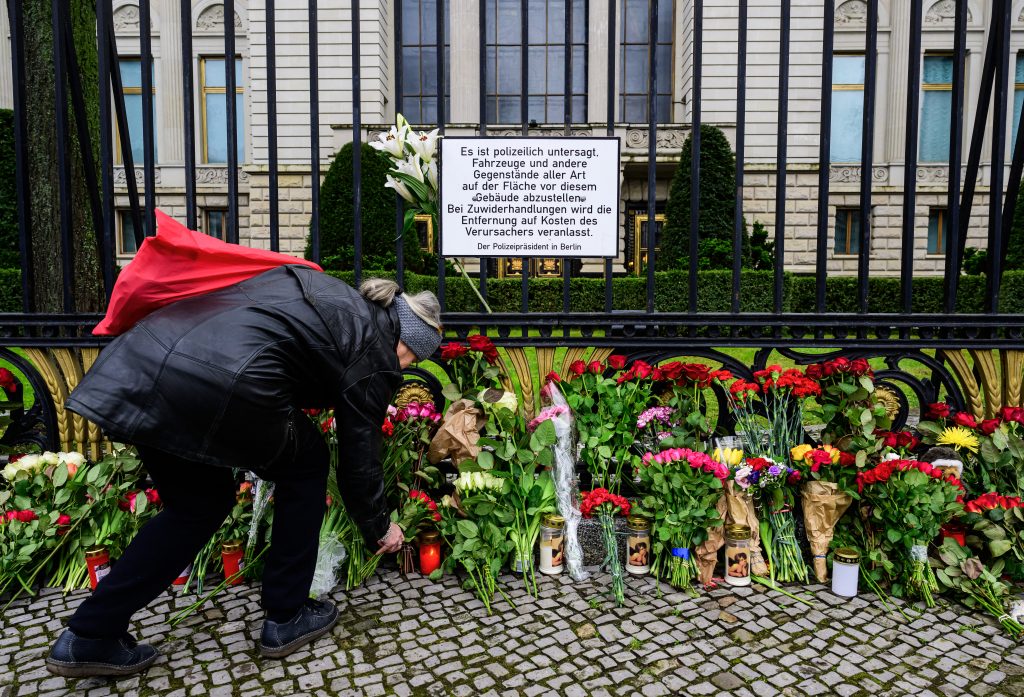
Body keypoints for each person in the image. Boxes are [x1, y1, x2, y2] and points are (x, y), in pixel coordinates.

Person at [45, 267, 443, 677]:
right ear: (405, 340)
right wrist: (380, 527)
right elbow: (360, 457)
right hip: (221, 379)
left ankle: (90, 633)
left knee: (196, 507)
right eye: (412, 358)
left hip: (145, 361)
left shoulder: (333, 294)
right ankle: (287, 615)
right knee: (307, 465)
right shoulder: (375, 348)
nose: (404, 369)